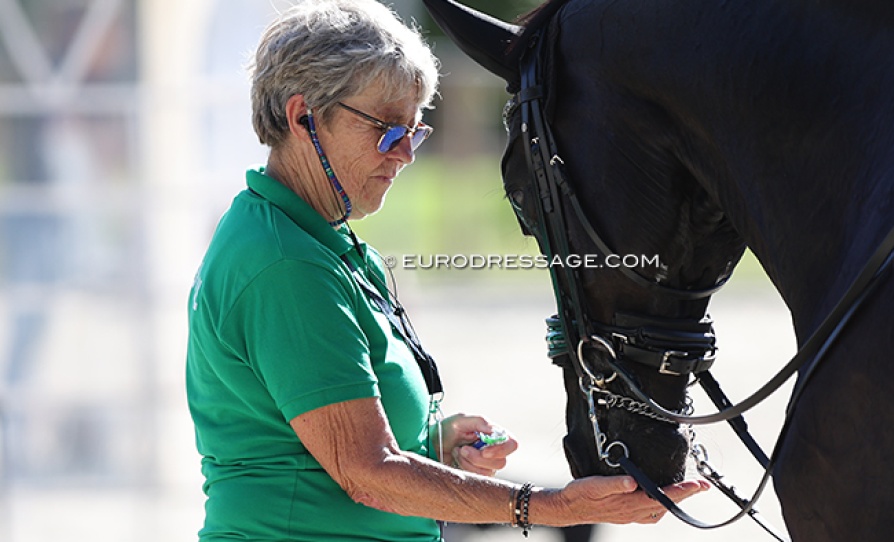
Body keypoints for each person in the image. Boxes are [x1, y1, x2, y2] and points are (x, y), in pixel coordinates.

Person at [185, 1, 709, 540]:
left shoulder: (302, 235)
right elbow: (367, 474)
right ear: (303, 118)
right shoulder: (286, 263)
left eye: (415, 132)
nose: (406, 153)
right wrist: (554, 508)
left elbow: (308, 445)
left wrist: (432, 442)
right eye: (387, 130)